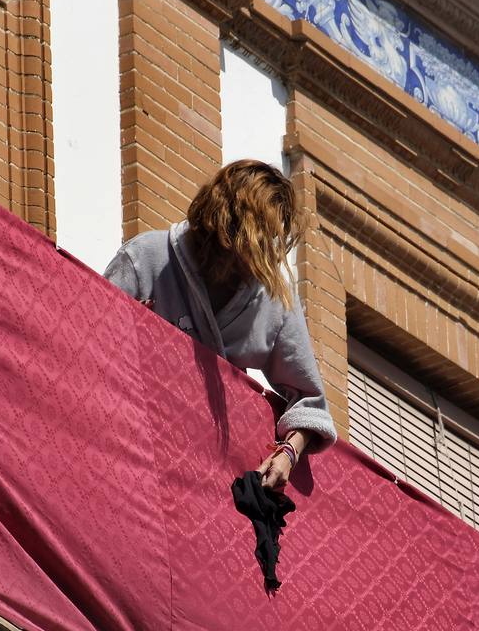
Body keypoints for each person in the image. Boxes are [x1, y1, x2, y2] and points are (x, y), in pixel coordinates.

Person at [103, 159, 337, 487]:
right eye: (254, 239)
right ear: (225, 222)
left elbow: (310, 401)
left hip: (208, 475)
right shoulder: (147, 258)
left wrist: (288, 452)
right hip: (127, 447)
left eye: (269, 241)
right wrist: (130, 335)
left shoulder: (274, 300)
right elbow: (88, 342)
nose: (257, 257)